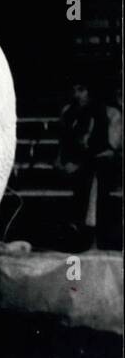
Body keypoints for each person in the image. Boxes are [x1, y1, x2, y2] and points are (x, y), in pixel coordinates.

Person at [56, 81, 113, 250]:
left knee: (92, 181)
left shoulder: (100, 112)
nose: (77, 95)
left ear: (89, 91)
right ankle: (71, 232)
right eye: (74, 90)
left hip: (91, 162)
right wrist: (61, 159)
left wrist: (78, 164)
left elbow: (98, 145)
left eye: (81, 90)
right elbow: (65, 139)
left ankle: (91, 236)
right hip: (73, 160)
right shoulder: (68, 112)